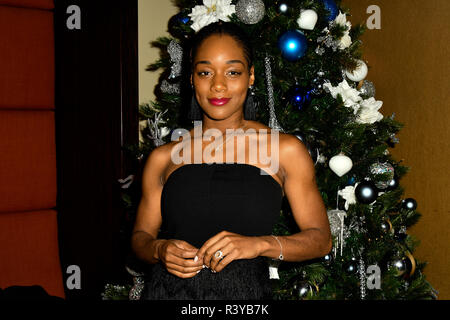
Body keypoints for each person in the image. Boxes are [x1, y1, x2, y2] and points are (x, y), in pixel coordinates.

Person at [131, 21, 332, 300]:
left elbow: (321, 239)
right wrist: (159, 250)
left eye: (233, 72)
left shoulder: (283, 150)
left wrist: (259, 245)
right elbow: (140, 237)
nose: (218, 86)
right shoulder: (163, 157)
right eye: (205, 72)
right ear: (191, 78)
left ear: (250, 77)